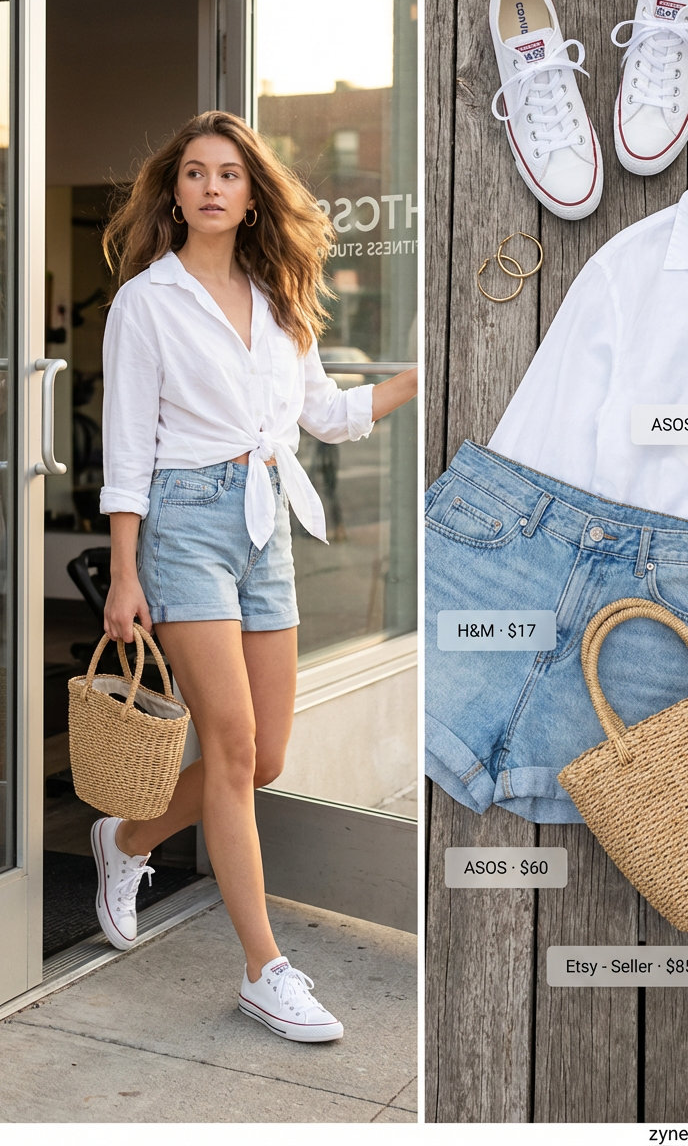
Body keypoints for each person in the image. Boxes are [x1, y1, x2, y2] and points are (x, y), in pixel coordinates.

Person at [95, 109, 417, 1042]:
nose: (209, 187)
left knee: (263, 756)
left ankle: (126, 839)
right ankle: (264, 968)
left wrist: (414, 381)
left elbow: (323, 413)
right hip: (185, 524)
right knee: (229, 750)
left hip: (266, 520)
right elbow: (127, 452)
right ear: (175, 190)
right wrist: (125, 573)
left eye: (227, 174)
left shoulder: (280, 295)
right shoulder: (146, 303)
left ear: (250, 194)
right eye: (193, 172)